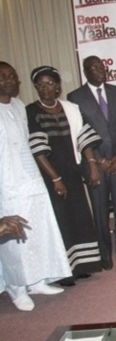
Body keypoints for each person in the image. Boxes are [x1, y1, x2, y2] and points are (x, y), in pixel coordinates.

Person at [0, 61, 71, 311]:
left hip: (30, 178)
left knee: (37, 230)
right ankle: (17, 287)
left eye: (13, 76)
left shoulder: (19, 106)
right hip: (6, 183)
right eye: (4, 77)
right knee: (13, 234)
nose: (10, 81)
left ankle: (37, 280)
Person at [26, 66, 102, 286]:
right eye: (41, 85)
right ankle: (66, 271)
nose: (46, 88)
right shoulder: (31, 111)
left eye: (50, 83)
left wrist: (92, 166)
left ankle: (83, 265)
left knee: (79, 217)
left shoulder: (70, 108)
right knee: (60, 221)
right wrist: (55, 178)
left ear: (58, 86)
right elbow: (38, 150)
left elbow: (84, 139)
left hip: (72, 170)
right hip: (51, 173)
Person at [67, 56, 116, 270]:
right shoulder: (75, 97)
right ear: (86, 71)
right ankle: (104, 253)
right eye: (95, 68)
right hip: (95, 165)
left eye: (102, 66)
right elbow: (78, 131)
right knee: (100, 211)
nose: (101, 70)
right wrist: (99, 159)